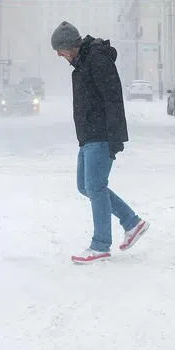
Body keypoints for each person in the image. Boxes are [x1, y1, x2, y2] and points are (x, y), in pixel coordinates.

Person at [50, 21, 148, 264]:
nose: (58, 55)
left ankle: (101, 244)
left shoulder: (97, 59)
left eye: (59, 50)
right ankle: (132, 223)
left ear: (70, 46)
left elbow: (113, 98)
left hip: (100, 135)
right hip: (89, 136)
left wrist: (115, 138)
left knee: (95, 186)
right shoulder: (83, 62)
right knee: (86, 186)